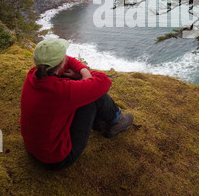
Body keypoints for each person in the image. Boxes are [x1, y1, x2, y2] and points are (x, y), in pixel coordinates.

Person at [20, 37, 133, 169]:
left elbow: (67, 59)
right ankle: (117, 121)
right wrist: (83, 75)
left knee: (81, 89)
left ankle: (100, 121)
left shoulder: (33, 74)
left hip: (33, 148)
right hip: (56, 158)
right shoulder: (64, 91)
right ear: (61, 63)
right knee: (97, 97)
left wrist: (82, 71)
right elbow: (104, 82)